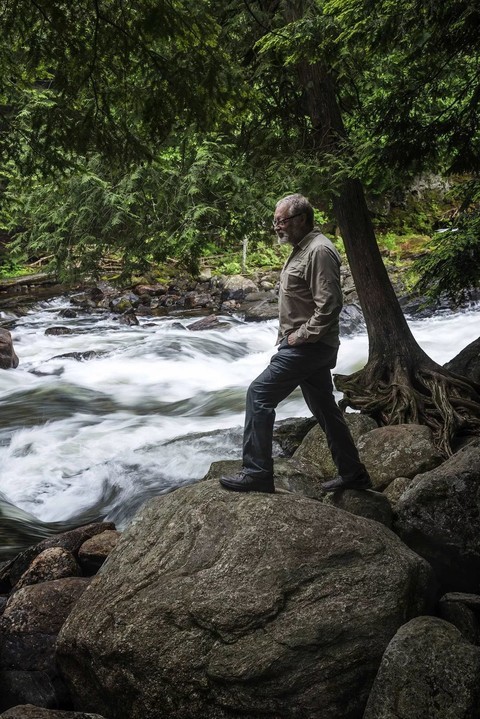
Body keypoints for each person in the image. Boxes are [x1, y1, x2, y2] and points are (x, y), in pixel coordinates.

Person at [219, 193, 372, 494]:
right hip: (306, 346)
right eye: (275, 221)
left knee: (258, 395)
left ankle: (258, 473)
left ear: (301, 219)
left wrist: (299, 337)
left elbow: (330, 305)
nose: (276, 226)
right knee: (326, 410)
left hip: (308, 347)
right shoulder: (301, 248)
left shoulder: (319, 251)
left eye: (282, 221)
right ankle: (354, 474)